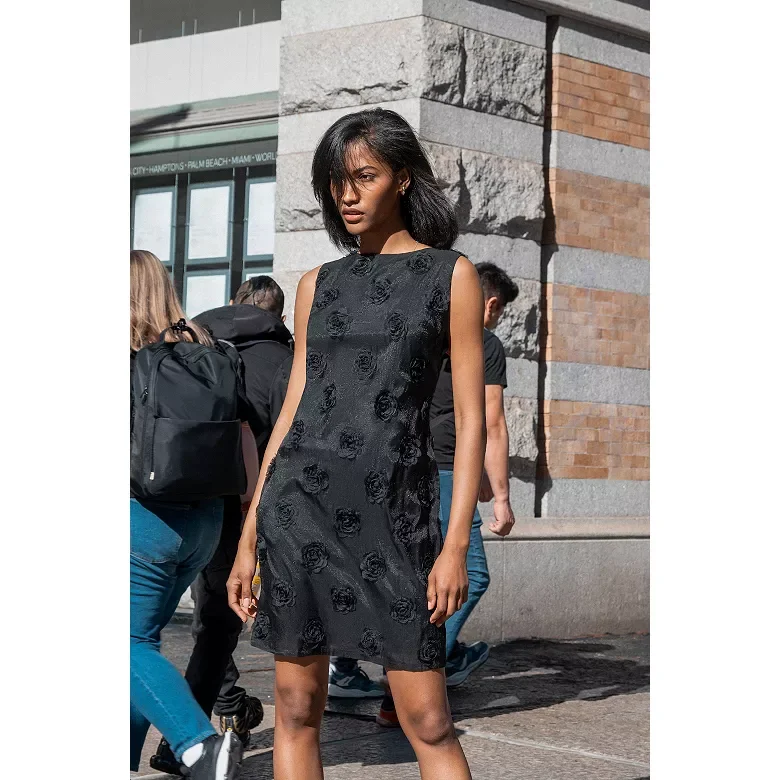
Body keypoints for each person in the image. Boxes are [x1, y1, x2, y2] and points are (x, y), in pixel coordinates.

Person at [227, 107, 485, 780]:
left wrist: (455, 545)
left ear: (401, 178)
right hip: (299, 510)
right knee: (294, 707)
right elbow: (293, 412)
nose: (347, 194)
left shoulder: (450, 275)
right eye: (336, 180)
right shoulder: (319, 284)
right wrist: (250, 533)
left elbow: (473, 414)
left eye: (364, 176)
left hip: (395, 520)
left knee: (427, 718)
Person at [333, 262, 519, 722]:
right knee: (469, 575)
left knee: (401, 574)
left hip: (397, 470)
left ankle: (362, 665)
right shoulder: (484, 342)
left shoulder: (414, 331)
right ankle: (407, 685)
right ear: (489, 303)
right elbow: (490, 421)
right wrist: (501, 497)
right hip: (445, 470)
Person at [149, 275, 294, 774]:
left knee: (143, 635)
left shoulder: (190, 339)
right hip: (238, 512)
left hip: (169, 499)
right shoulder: (284, 362)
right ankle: (187, 739)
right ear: (278, 313)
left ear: (234, 302)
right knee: (216, 628)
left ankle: (207, 719)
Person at [130, 250, 243, 780]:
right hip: (203, 523)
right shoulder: (203, 347)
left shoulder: (127, 355)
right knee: (140, 643)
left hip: (143, 518)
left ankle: (199, 747)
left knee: (123, 644)